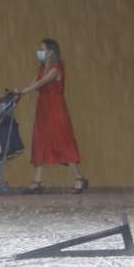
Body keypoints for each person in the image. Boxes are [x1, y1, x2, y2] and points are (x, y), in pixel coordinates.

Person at [15, 37, 88, 194]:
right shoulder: (42, 68)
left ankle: (79, 178)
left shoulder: (56, 68)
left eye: (42, 49)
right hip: (43, 109)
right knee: (40, 141)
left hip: (56, 109)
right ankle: (37, 181)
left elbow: (41, 83)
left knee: (62, 142)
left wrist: (23, 92)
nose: (39, 52)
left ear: (51, 51)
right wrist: (19, 91)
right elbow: (34, 82)